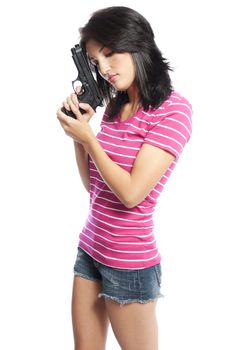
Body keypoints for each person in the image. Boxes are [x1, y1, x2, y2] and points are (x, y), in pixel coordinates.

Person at [57, 6, 193, 350]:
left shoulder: (174, 111)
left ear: (136, 45)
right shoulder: (117, 106)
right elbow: (96, 188)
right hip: (90, 248)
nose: (103, 68)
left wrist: (88, 139)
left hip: (128, 263)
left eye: (109, 53)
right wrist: (80, 136)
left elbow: (131, 194)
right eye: (95, 60)